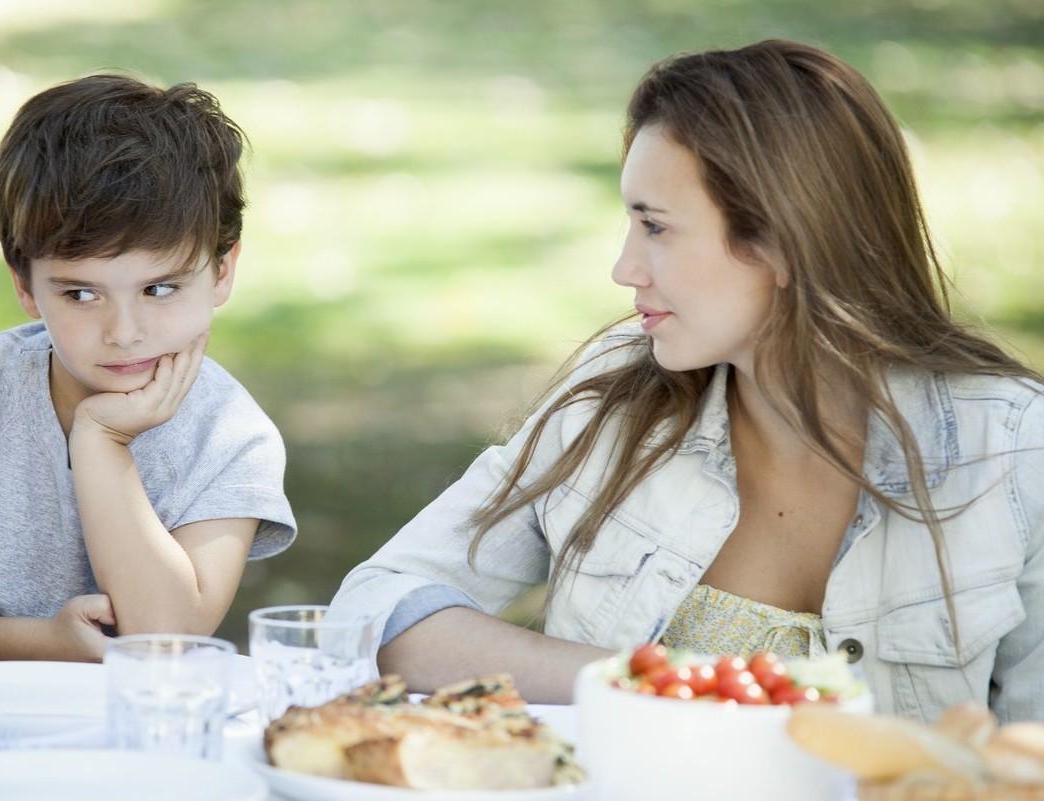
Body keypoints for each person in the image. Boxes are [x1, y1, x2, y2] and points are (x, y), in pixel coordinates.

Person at [329, 40, 1043, 723]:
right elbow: (378, 606)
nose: (625, 267)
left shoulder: (1012, 453)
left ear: (782, 242)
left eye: (656, 227)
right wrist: (644, 686)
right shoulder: (611, 396)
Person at [0, 75, 296, 681]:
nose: (124, 331)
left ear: (221, 270)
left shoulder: (230, 437)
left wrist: (102, 445)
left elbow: (165, 639)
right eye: (82, 293)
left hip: (124, 747)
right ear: (25, 286)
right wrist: (43, 642)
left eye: (160, 288)